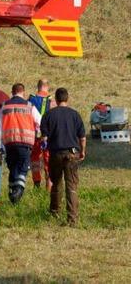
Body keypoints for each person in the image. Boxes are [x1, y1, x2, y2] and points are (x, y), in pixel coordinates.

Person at [40, 88, 86, 227]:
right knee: (71, 186)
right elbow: (82, 137)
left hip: (56, 154)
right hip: (72, 154)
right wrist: (82, 151)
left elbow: (44, 138)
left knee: (56, 184)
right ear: (67, 98)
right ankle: (72, 218)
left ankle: (54, 212)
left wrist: (44, 152)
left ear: (56, 99)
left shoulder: (48, 115)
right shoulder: (75, 115)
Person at [0, 83, 41, 204]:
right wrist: (39, 134)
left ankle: (12, 193)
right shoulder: (29, 106)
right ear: (23, 92)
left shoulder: (4, 106)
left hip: (9, 142)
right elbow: (40, 121)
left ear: (12, 92)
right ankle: (18, 191)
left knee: (13, 168)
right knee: (23, 168)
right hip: (24, 142)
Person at [28, 79, 56, 190]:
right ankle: (49, 187)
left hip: (34, 135)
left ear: (38, 86)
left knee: (35, 160)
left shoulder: (30, 100)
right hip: (48, 137)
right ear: (47, 87)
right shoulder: (52, 102)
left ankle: (36, 185)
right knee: (48, 161)